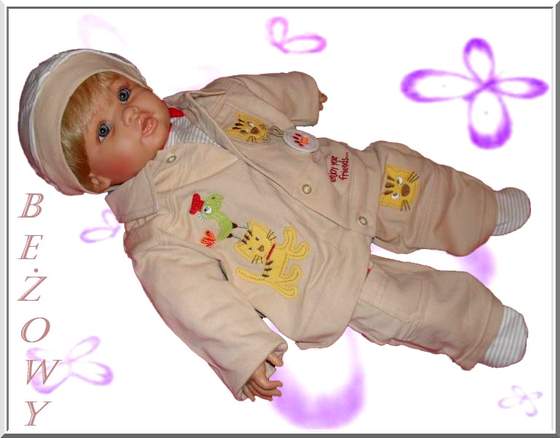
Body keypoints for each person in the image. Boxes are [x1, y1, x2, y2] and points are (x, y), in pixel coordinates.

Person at [18, 48, 530, 402]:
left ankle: (483, 209)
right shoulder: (155, 231)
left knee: (419, 185)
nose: (128, 115)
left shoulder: (206, 103)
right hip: (317, 273)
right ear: (96, 179)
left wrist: (298, 94)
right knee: (402, 304)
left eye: (124, 94)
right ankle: (480, 329)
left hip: (344, 178)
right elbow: (194, 303)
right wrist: (243, 353)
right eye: (104, 130)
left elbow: (252, 90)